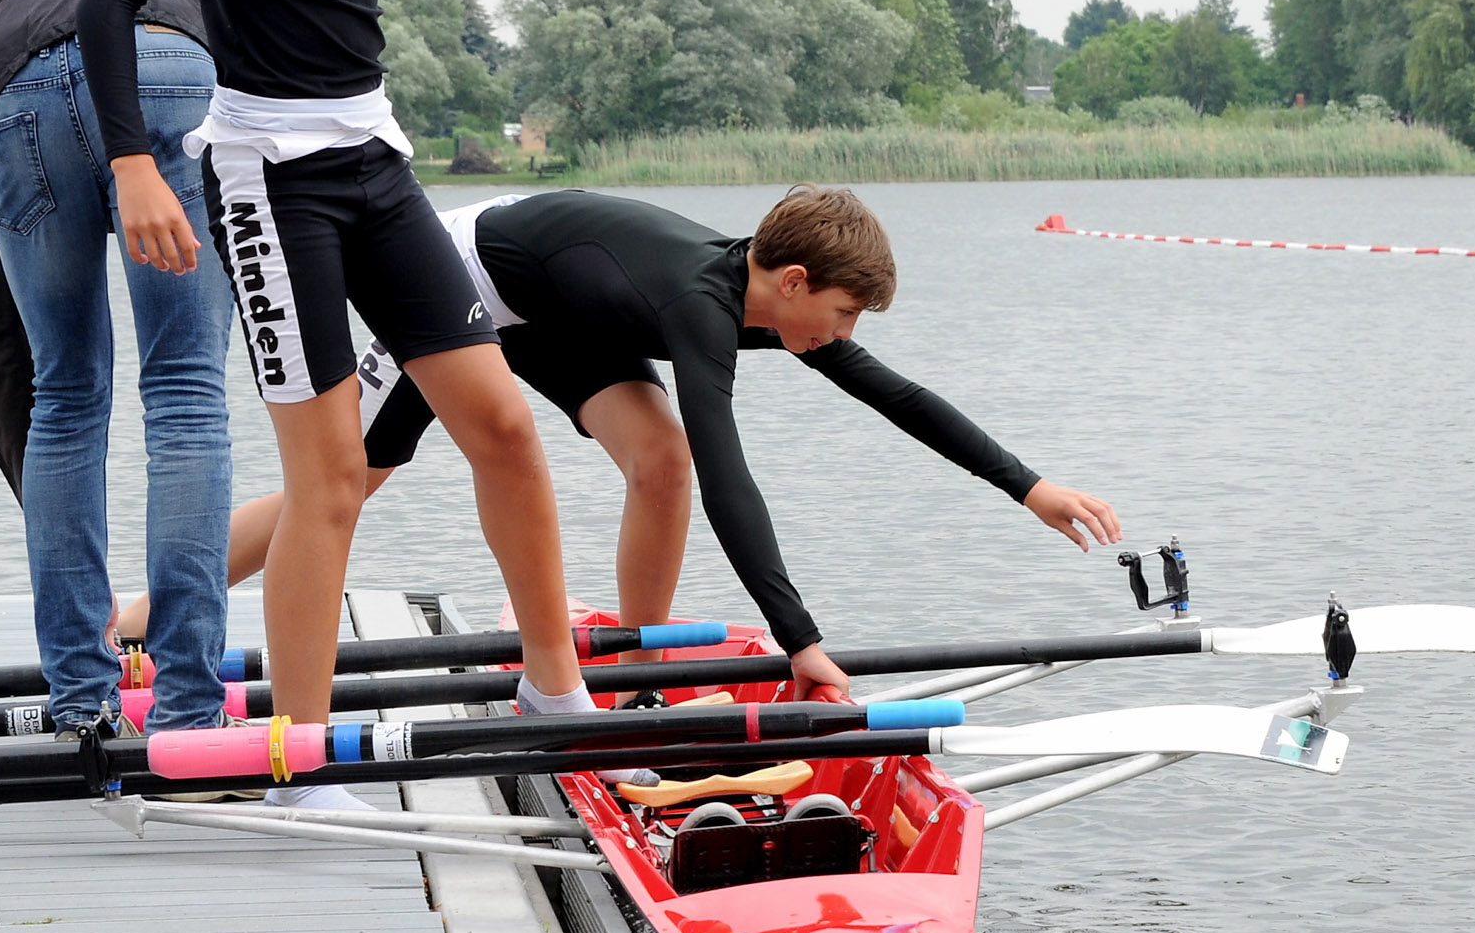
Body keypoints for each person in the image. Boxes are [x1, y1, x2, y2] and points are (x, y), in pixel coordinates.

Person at [75, 0, 590, 809]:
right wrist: (131, 167)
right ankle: (297, 761)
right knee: (333, 480)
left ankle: (555, 696)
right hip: (268, 181)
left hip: (374, 163)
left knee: (504, 426)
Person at [121, 187, 1123, 698]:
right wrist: (799, 640)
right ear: (791, 284)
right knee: (350, 483)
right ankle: (140, 620)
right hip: (451, 278)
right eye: (848, 311)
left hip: (556, 314)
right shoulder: (702, 307)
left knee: (660, 462)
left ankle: (633, 666)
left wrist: (1028, 486)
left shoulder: (768, 303)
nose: (849, 335)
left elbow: (895, 396)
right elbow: (740, 482)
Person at [0, 0, 232, 738]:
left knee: (64, 393)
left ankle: (80, 703)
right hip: (167, 69)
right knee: (185, 393)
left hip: (16, 99)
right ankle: (187, 714)